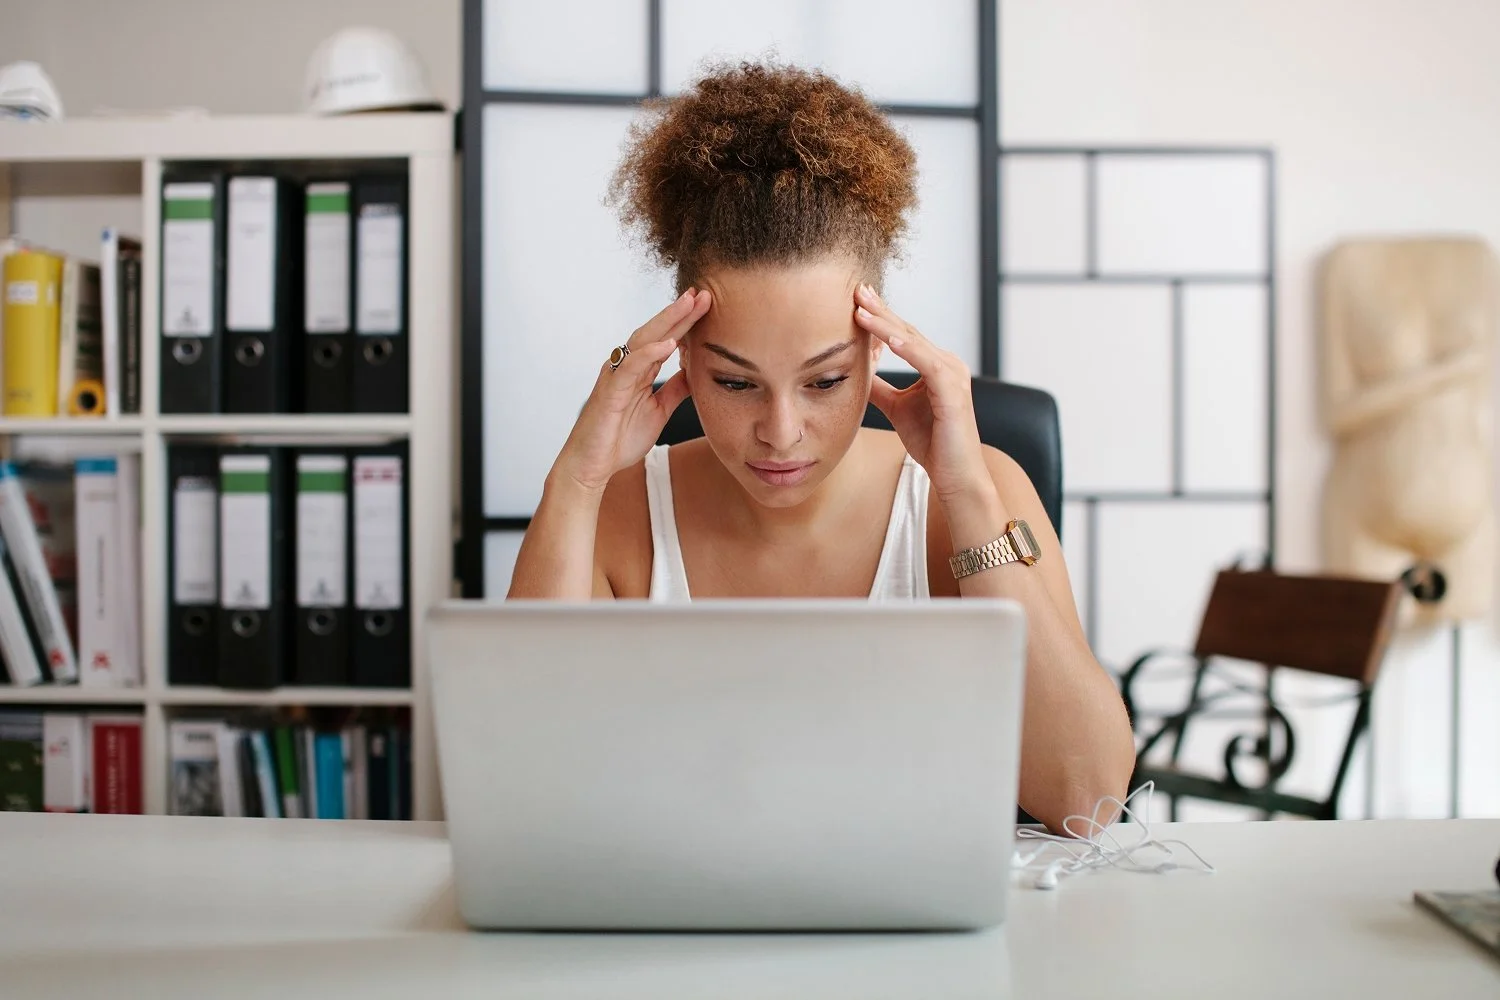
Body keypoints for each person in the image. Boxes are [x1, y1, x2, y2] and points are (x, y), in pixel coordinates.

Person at [508, 61, 1134, 831]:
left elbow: (1087, 801)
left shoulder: (973, 495)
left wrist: (968, 494)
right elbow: (523, 784)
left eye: (825, 381)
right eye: (735, 382)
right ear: (682, 359)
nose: (780, 432)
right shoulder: (620, 509)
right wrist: (576, 481)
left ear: (876, 353)